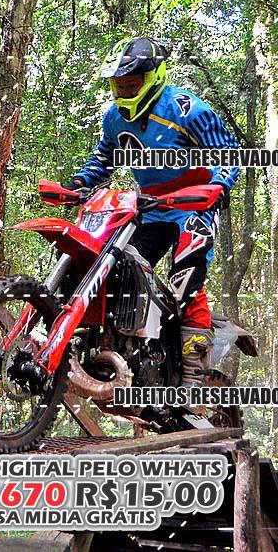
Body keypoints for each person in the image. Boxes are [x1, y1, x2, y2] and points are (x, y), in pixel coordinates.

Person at [64, 36, 241, 388]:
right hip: (150, 207)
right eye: (120, 84)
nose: (126, 90)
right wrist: (80, 183)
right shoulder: (114, 118)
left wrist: (220, 185)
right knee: (117, 268)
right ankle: (128, 349)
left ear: (154, 77)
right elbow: (105, 156)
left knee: (185, 283)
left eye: (133, 83)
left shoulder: (186, 109)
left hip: (193, 205)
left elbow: (228, 150)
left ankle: (193, 377)